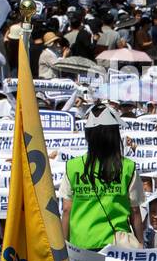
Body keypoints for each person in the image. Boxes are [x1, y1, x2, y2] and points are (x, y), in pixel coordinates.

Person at [60, 107, 144, 250]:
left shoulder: (73, 167)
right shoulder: (127, 167)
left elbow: (67, 209)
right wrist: (141, 244)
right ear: (113, 135)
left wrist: (63, 247)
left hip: (80, 244)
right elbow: (135, 212)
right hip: (115, 247)